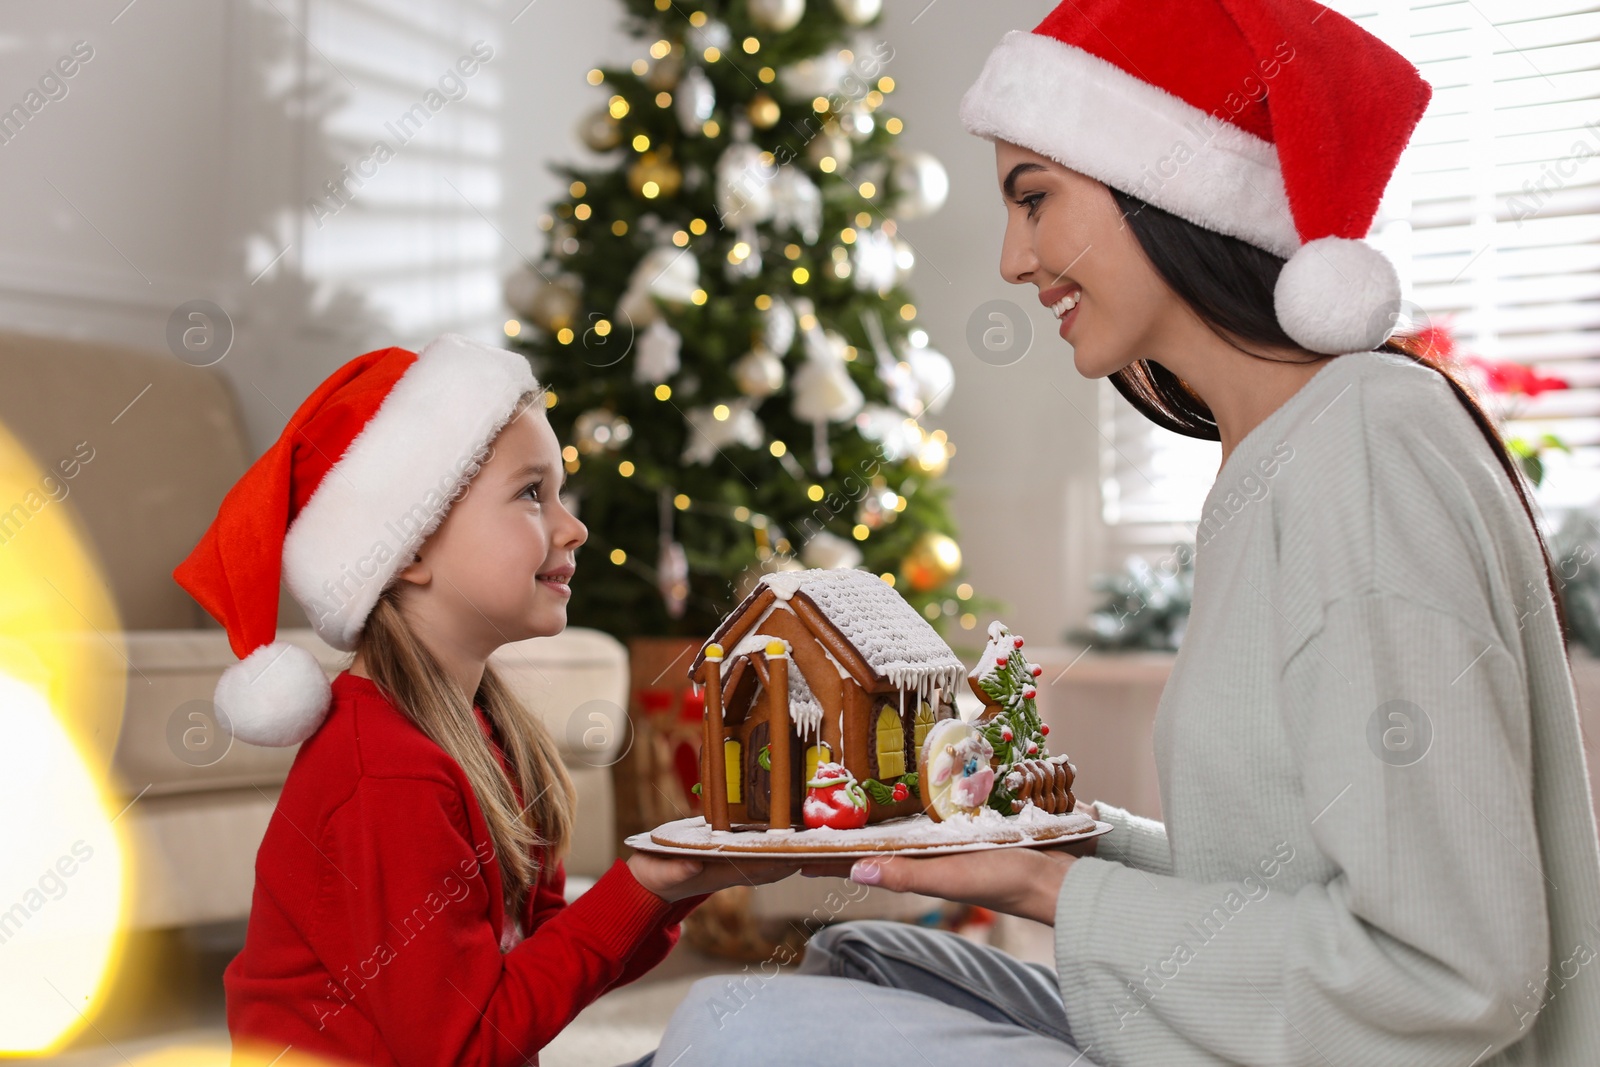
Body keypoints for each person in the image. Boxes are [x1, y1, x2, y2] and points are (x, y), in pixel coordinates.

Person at [642, 1, 1600, 1064]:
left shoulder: (1360, 446)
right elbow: (1288, 888)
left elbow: (1450, 973)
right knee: (867, 961)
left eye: (1035, 198)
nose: (1014, 258)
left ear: (1166, 189)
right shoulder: (1281, 453)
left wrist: (1049, 885)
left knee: (736, 1025)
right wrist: (1059, 836)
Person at [172, 334, 795, 1066]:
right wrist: (644, 884)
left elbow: (547, 962)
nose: (573, 527)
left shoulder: (490, 731)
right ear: (406, 550)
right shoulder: (387, 772)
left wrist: (680, 877)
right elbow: (465, 1043)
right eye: (532, 493)